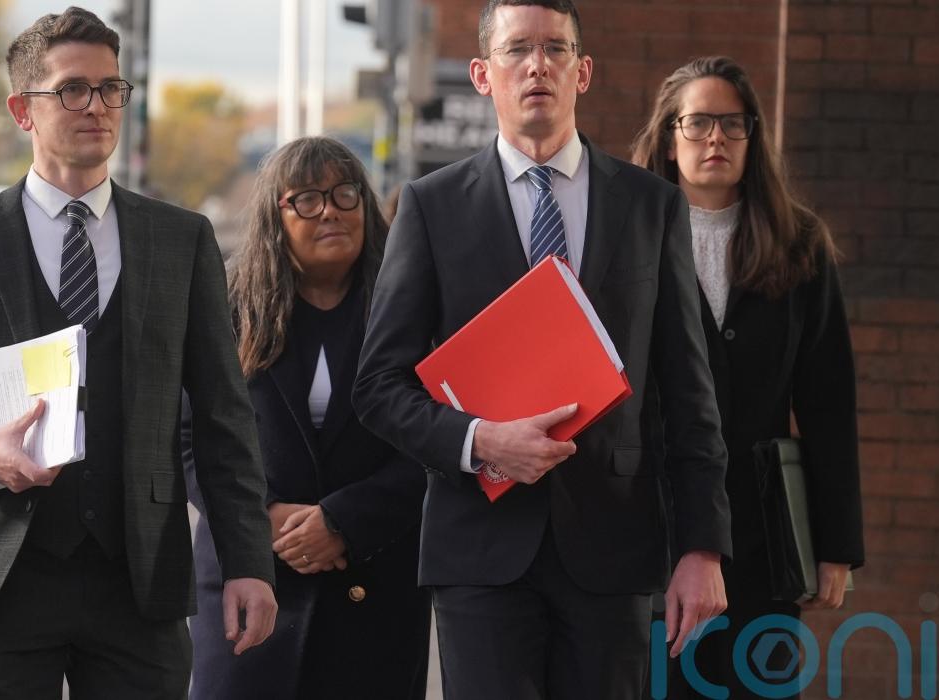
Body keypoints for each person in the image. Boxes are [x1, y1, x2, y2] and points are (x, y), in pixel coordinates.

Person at [0, 7, 277, 698]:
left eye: (110, 88)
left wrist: (248, 561)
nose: (97, 106)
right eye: (72, 90)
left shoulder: (181, 240)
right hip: (6, 577)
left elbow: (222, 417)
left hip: (140, 581)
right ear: (22, 110)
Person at [352, 1, 733, 698]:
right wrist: (480, 441)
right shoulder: (432, 206)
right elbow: (378, 386)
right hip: (480, 548)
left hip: (614, 547)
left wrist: (702, 546)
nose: (538, 66)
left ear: (582, 72)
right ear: (482, 74)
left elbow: (689, 394)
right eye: (518, 49)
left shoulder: (650, 206)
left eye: (556, 49)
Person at [631, 56, 864, 698]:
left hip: (763, 532)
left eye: (733, 124)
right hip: (653, 525)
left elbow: (828, 401)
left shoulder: (798, 242)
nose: (716, 138)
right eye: (698, 122)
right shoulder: (630, 239)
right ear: (669, 136)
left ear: (753, 137)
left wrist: (836, 543)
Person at [187, 136, 431, 699]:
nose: (330, 211)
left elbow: (434, 440)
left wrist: (344, 521)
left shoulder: (415, 309)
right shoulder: (227, 306)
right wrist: (261, 516)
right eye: (307, 198)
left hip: (375, 582)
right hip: (249, 581)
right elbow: (186, 435)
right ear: (275, 217)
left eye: (345, 193)